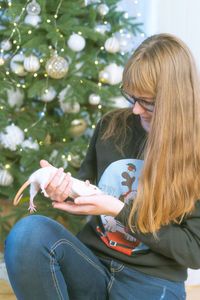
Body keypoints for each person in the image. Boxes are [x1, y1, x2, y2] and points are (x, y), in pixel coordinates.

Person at [4, 33, 200, 300]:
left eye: (148, 103)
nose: (135, 110)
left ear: (176, 102)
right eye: (132, 98)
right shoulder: (112, 126)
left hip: (153, 282)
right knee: (28, 233)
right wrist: (62, 191)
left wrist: (117, 209)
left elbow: (194, 251)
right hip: (91, 264)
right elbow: (86, 191)